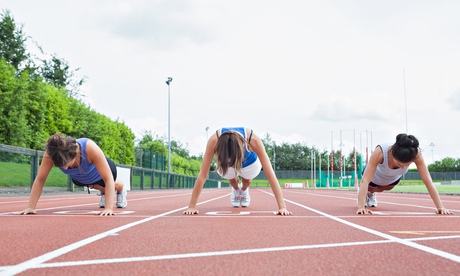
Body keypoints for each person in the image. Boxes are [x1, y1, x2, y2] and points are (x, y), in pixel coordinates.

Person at [183, 127, 292, 216]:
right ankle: (236, 189)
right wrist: (192, 206)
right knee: (231, 179)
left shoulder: (253, 139)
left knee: (247, 180)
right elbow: (202, 175)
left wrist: (282, 207)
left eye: (232, 160)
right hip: (225, 164)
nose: (232, 162)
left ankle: (243, 190)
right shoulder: (213, 140)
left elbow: (270, 174)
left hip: (249, 162)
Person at [17, 134, 127, 216]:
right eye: (60, 166)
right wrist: (31, 207)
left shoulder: (89, 147)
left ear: (74, 155)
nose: (64, 168)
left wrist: (108, 208)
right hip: (81, 177)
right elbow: (40, 179)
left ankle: (121, 190)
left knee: (112, 183)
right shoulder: (51, 154)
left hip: (104, 172)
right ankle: (104, 192)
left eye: (66, 164)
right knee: (84, 183)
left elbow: (108, 178)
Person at [357, 133, 452, 215]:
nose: (402, 167)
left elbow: (428, 181)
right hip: (375, 176)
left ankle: (371, 193)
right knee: (369, 187)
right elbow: (365, 181)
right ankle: (366, 194)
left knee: (384, 189)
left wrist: (440, 207)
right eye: (398, 164)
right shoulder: (380, 151)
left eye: (407, 165)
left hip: (392, 178)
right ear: (391, 153)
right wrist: (361, 207)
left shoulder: (416, 154)